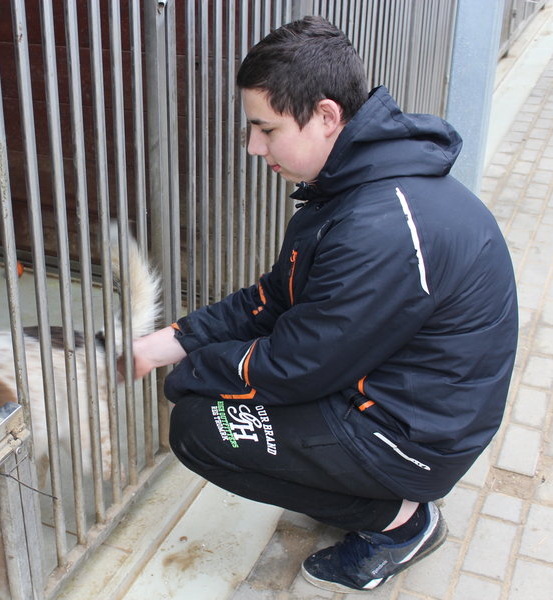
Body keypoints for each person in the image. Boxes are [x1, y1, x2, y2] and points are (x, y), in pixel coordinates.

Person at [130, 15, 518, 593]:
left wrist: (193, 371)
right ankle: (355, 488)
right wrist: (166, 342)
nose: (254, 147)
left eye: (266, 129)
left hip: (415, 439)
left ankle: (401, 523)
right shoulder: (356, 184)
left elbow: (296, 367)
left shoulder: (378, 225)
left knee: (200, 426)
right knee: (207, 387)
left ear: (328, 115)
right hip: (404, 394)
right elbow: (274, 297)